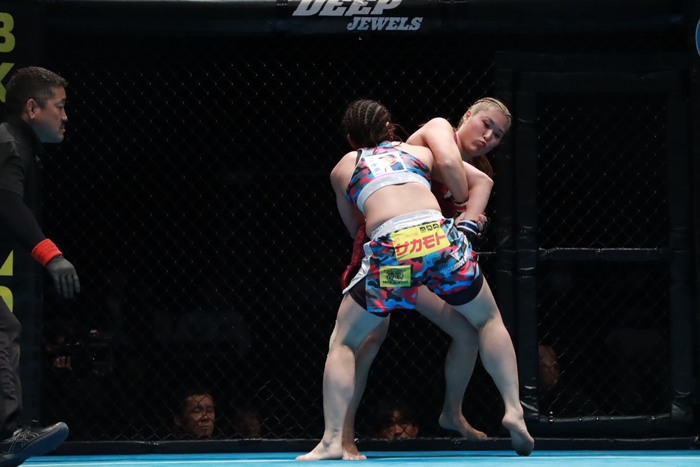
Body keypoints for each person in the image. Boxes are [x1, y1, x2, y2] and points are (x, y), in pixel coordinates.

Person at [297, 99, 533, 461]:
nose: (489, 136)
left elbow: (356, 227)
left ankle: (332, 440)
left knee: (345, 342)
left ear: (351, 139)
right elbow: (469, 175)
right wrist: (466, 214)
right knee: (487, 319)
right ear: (390, 127)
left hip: (396, 259)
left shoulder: (345, 166)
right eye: (487, 125)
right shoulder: (420, 149)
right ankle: (514, 409)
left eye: (497, 133)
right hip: (438, 245)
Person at [0, 66, 80, 466]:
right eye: (59, 107)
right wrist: (52, 255)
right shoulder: (9, 142)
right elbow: (5, 203)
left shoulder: (16, 144)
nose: (65, 116)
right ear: (32, 108)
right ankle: (7, 437)